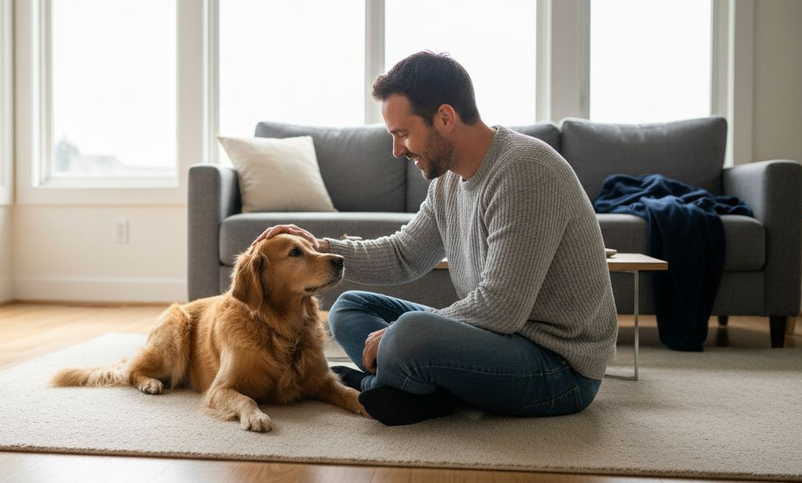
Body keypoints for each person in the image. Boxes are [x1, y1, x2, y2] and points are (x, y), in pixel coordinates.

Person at [254, 51, 617, 426]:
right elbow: (403, 254)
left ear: (445, 117)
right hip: (495, 338)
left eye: (404, 134)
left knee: (408, 335)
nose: (397, 151)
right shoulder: (447, 182)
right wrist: (320, 247)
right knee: (349, 308)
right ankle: (409, 388)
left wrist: (397, 334)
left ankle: (394, 387)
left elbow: (501, 308)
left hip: (557, 367)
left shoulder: (525, 172)